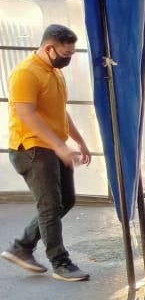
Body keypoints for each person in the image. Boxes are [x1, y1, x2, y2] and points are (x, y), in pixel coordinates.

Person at [3, 24, 92, 281]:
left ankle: (22, 246)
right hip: (31, 148)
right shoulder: (26, 73)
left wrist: (79, 141)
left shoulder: (54, 72)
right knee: (50, 206)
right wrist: (60, 147)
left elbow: (59, 111)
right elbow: (26, 115)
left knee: (66, 201)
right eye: (65, 53)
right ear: (49, 48)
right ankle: (60, 263)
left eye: (71, 53)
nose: (68, 58)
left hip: (53, 147)